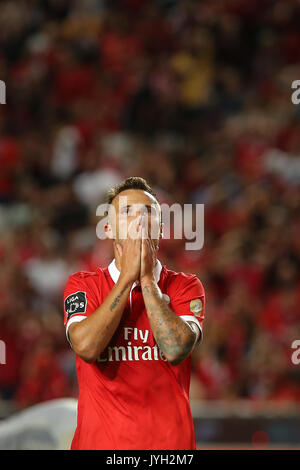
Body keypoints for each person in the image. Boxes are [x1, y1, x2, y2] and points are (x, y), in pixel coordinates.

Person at [63, 176, 205, 450]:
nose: (139, 218)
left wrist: (148, 281)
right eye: (127, 211)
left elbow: (176, 349)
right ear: (108, 229)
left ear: (161, 230)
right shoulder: (84, 284)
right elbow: (86, 346)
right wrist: (126, 279)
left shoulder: (186, 286)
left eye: (149, 211)